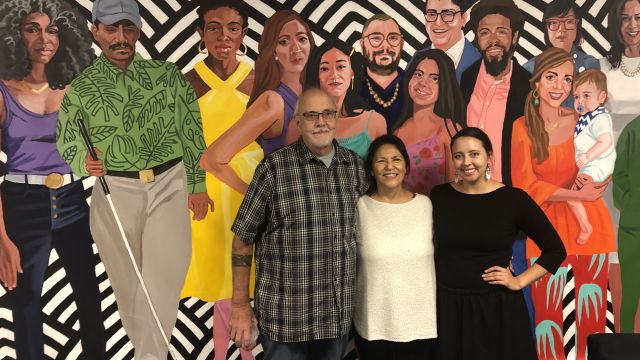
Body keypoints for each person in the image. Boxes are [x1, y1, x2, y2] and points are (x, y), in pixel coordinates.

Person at [55, 0, 213, 358]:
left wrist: (197, 184)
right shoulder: (81, 87)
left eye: (129, 28)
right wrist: (83, 160)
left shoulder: (168, 75)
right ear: (95, 31)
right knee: (129, 292)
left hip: (168, 184)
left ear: (139, 30)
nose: (121, 37)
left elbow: (191, 130)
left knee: (161, 281)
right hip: (114, 190)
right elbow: (67, 139)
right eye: (111, 29)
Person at [228, 87, 368, 360]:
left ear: (336, 117)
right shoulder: (274, 168)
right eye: (311, 115)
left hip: (336, 319)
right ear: (298, 122)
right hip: (285, 321)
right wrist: (240, 306)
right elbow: (242, 240)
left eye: (327, 113)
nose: (320, 122)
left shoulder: (355, 167)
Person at [0, 1, 105, 359]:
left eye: (52, 30)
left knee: (90, 300)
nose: (44, 39)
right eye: (32, 28)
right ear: (15, 35)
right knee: (26, 303)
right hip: (22, 205)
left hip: (74, 200)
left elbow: (99, 145)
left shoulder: (75, 89)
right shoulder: (2, 92)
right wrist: (1, 239)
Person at [511, 47, 615, 360]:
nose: (560, 86)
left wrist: (599, 178)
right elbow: (526, 188)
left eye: (567, 79)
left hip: (590, 229)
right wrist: (576, 195)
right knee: (550, 325)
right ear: (537, 82)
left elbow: (602, 156)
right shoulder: (521, 127)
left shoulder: (580, 119)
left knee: (592, 319)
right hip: (546, 234)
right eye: (552, 77)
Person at [430, 127, 566, 360]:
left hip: (498, 308)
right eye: (458, 155)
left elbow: (555, 250)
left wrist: (519, 280)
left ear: (489, 156)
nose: (466, 162)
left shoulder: (514, 200)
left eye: (474, 154)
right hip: (449, 307)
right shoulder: (439, 196)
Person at [180, 1, 262, 359]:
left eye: (232, 27)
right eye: (213, 27)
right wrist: (194, 187)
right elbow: (184, 143)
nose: (223, 35)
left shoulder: (259, 79)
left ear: (243, 33)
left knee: (248, 279)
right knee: (221, 281)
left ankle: (243, 352)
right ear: (201, 34)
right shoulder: (189, 81)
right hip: (210, 190)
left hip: (252, 187)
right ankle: (223, 354)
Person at [458, 0, 534, 327]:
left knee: (515, 295)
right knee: (474, 292)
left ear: (515, 36)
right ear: (476, 36)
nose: (493, 39)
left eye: (501, 31)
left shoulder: (530, 85)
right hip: (469, 202)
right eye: (485, 31)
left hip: (510, 204)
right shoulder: (465, 79)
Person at [201, 9, 314, 194]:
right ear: (274, 51)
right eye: (284, 41)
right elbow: (212, 159)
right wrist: (260, 199)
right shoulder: (273, 101)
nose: (296, 49)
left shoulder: (315, 94)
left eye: (302, 39)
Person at [354, 134, 437, 359]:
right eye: (381, 160)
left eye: (396, 159)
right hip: (373, 329)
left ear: (406, 167)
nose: (389, 166)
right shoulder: (359, 208)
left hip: (421, 327)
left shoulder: (426, 205)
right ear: (371, 169)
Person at [600, 0, 640, 333]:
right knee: (616, 256)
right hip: (613, 174)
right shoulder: (602, 67)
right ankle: (625, 335)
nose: (632, 24)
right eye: (625, 18)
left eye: (639, 17)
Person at [287, 39, 386, 158]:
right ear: (316, 75)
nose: (334, 75)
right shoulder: (298, 124)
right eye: (324, 68)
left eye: (340, 66)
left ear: (352, 72)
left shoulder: (375, 121)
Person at [394, 48, 466, 195]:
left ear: (444, 86)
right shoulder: (397, 131)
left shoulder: (450, 129)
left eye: (434, 78)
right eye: (418, 74)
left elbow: (460, 188)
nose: (423, 83)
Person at [522, 0, 600, 108]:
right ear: (546, 27)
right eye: (554, 22)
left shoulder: (592, 65)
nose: (561, 29)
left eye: (569, 22)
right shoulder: (530, 68)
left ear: (577, 25)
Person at [570, 69, 616, 245]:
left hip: (597, 165)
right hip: (589, 165)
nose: (580, 101)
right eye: (576, 96)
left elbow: (606, 142)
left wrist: (587, 157)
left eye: (586, 95)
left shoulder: (600, 118)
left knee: (571, 196)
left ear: (602, 97)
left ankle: (586, 227)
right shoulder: (586, 118)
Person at [613, 113, 640, 334]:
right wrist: (630, 207)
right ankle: (627, 346)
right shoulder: (633, 129)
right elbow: (619, 174)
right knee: (630, 291)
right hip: (633, 227)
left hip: (632, 223)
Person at [410, 0, 481, 82]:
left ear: (463, 19)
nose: (438, 23)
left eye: (448, 14)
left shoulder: (481, 63)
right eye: (432, 14)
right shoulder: (416, 59)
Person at [358, 14, 405, 130]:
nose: (385, 46)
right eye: (376, 38)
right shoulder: (349, 87)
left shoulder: (415, 85)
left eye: (393, 38)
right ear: (362, 44)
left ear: (402, 44)